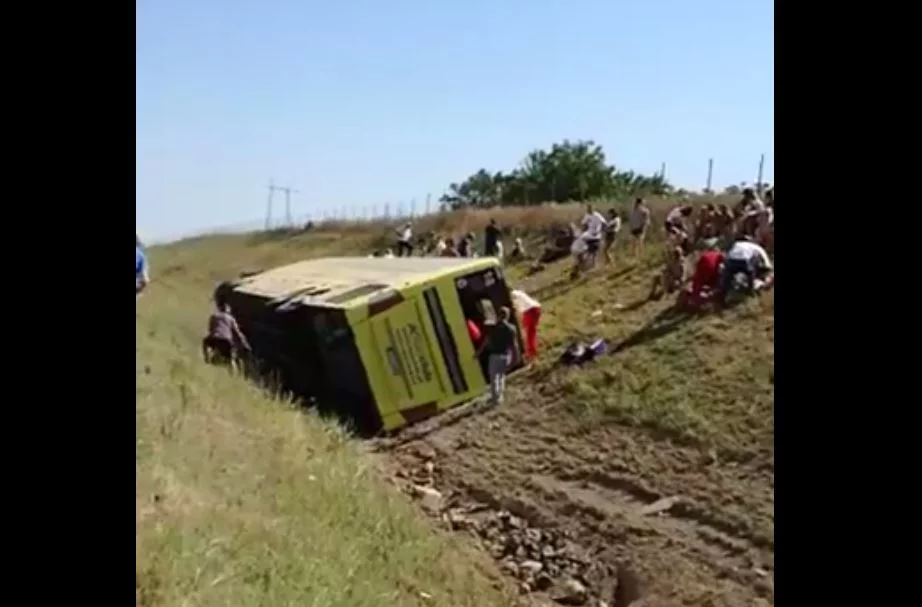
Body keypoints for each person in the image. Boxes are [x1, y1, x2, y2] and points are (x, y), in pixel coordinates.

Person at [475, 306, 519, 407]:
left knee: (494, 378)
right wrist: (515, 357)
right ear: (507, 316)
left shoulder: (493, 328)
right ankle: (500, 396)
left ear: (499, 315)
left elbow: (486, 341)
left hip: (495, 355)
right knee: (501, 376)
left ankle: (496, 400)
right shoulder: (511, 329)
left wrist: (478, 353)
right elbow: (514, 345)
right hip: (505, 355)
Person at [717, 235, 773, 304]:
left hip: (731, 261)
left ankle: (721, 297)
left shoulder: (735, 245)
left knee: (726, 281)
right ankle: (751, 292)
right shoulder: (756, 247)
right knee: (751, 276)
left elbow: (726, 256)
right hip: (746, 262)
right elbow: (766, 263)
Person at [202, 300, 251, 367]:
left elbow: (211, 329)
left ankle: (207, 359)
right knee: (231, 359)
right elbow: (237, 332)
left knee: (205, 342)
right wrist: (245, 344)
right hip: (226, 341)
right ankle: (232, 370)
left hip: (214, 338)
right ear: (228, 310)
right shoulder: (231, 318)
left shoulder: (214, 316)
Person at [681, 238, 724, 310]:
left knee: (698, 284)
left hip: (703, 268)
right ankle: (708, 296)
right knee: (714, 280)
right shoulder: (718, 254)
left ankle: (694, 300)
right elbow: (723, 262)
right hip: (711, 270)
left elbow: (698, 265)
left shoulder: (706, 254)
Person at [511, 289, 542, 361]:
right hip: (531, 310)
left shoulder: (514, 294)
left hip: (531, 310)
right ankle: (532, 350)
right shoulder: (517, 293)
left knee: (529, 334)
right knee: (528, 332)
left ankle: (532, 355)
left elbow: (515, 304)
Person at [580, 204, 608, 269]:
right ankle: (587, 263)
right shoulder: (587, 215)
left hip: (596, 235)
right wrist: (583, 229)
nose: (588, 210)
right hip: (589, 235)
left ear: (592, 209)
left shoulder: (597, 215)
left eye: (589, 209)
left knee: (594, 251)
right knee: (587, 249)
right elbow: (583, 223)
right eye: (588, 209)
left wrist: (602, 231)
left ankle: (594, 264)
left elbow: (604, 223)